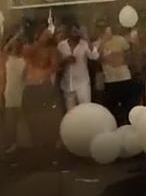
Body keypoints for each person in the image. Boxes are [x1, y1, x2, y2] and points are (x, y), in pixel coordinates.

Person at [21, 24, 62, 158]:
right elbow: (26, 57)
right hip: (30, 87)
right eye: (43, 34)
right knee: (31, 116)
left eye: (48, 34)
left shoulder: (52, 51)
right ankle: (37, 144)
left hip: (42, 86)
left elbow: (55, 66)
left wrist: (42, 76)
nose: (46, 36)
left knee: (44, 116)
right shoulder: (31, 48)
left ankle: (47, 145)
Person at [97, 24, 135, 125]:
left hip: (124, 77)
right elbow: (97, 57)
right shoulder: (98, 43)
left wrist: (117, 57)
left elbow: (128, 55)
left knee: (127, 107)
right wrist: (103, 43)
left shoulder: (120, 40)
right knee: (112, 109)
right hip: (110, 80)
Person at [57, 26, 99, 111]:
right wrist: (65, 60)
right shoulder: (61, 45)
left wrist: (87, 38)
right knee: (70, 112)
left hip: (82, 83)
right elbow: (57, 63)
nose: (75, 34)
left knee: (85, 109)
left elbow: (94, 56)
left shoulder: (84, 44)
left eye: (77, 31)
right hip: (67, 83)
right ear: (68, 32)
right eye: (73, 31)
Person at [2, 28, 26, 154]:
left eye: (18, 45)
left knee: (22, 119)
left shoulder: (25, 60)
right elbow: (6, 47)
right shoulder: (8, 58)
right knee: (10, 120)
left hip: (22, 92)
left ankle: (22, 143)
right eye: (14, 45)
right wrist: (17, 35)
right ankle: (11, 143)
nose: (16, 47)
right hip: (10, 93)